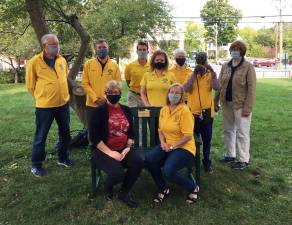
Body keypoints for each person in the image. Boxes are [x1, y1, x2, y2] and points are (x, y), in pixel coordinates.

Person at [88, 80, 143, 208]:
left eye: (116, 92)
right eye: (110, 92)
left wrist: (127, 149)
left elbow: (131, 134)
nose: (114, 94)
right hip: (103, 150)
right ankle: (107, 186)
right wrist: (111, 153)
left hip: (123, 148)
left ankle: (124, 192)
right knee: (117, 174)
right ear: (106, 94)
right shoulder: (98, 112)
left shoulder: (126, 110)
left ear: (120, 93)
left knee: (138, 162)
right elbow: (95, 138)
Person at [25, 34, 72, 177]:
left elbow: (64, 78)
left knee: (65, 133)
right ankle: (36, 164)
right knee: (41, 136)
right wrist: (42, 97)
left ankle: (62, 158)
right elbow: (30, 85)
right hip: (44, 107)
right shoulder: (34, 62)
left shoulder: (62, 60)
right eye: (53, 44)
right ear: (44, 46)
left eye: (57, 44)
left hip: (63, 104)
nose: (57, 47)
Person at [145, 83, 199, 204]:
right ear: (168, 94)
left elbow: (188, 136)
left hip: (184, 147)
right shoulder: (164, 109)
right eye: (171, 92)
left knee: (168, 171)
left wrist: (172, 147)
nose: (173, 95)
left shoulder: (184, 111)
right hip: (167, 145)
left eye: (177, 93)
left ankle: (193, 187)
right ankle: (163, 188)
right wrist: (163, 142)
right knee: (149, 159)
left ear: (181, 96)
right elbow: (160, 130)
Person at [215, 40, 256, 170]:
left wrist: (248, 108)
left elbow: (252, 89)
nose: (234, 51)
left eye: (237, 49)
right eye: (232, 49)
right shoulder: (225, 66)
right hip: (226, 103)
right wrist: (215, 101)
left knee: (242, 133)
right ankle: (230, 155)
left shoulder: (248, 67)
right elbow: (219, 85)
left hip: (241, 105)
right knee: (228, 130)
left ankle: (244, 160)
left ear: (242, 51)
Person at [183, 52, 220, 173]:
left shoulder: (210, 74)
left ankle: (206, 161)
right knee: (192, 139)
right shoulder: (190, 74)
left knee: (207, 139)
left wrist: (212, 72)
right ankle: (192, 160)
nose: (201, 65)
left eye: (203, 62)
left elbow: (217, 87)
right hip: (192, 113)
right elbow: (185, 89)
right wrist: (194, 74)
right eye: (199, 62)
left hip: (208, 112)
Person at [82, 39, 122, 125]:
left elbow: (118, 84)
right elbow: (85, 83)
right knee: (92, 131)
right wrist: (95, 99)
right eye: (99, 47)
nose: (102, 49)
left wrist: (105, 98)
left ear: (108, 49)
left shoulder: (114, 65)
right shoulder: (88, 64)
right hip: (92, 104)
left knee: (108, 130)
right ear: (96, 50)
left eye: (104, 47)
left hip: (109, 103)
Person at [125, 41, 150, 107]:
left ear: (147, 51)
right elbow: (128, 82)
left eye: (144, 50)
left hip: (147, 96)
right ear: (137, 51)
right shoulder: (129, 66)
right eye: (140, 50)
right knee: (133, 115)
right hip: (133, 96)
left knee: (146, 116)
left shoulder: (152, 67)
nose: (142, 52)